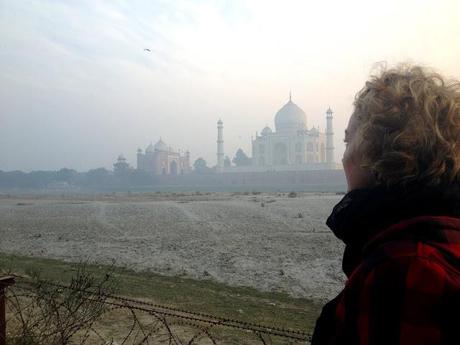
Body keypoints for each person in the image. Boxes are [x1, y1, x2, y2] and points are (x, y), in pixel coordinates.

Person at [311, 65, 460, 345]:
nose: (342, 158)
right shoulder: (444, 238)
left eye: (347, 140)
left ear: (374, 151)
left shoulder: (405, 270)